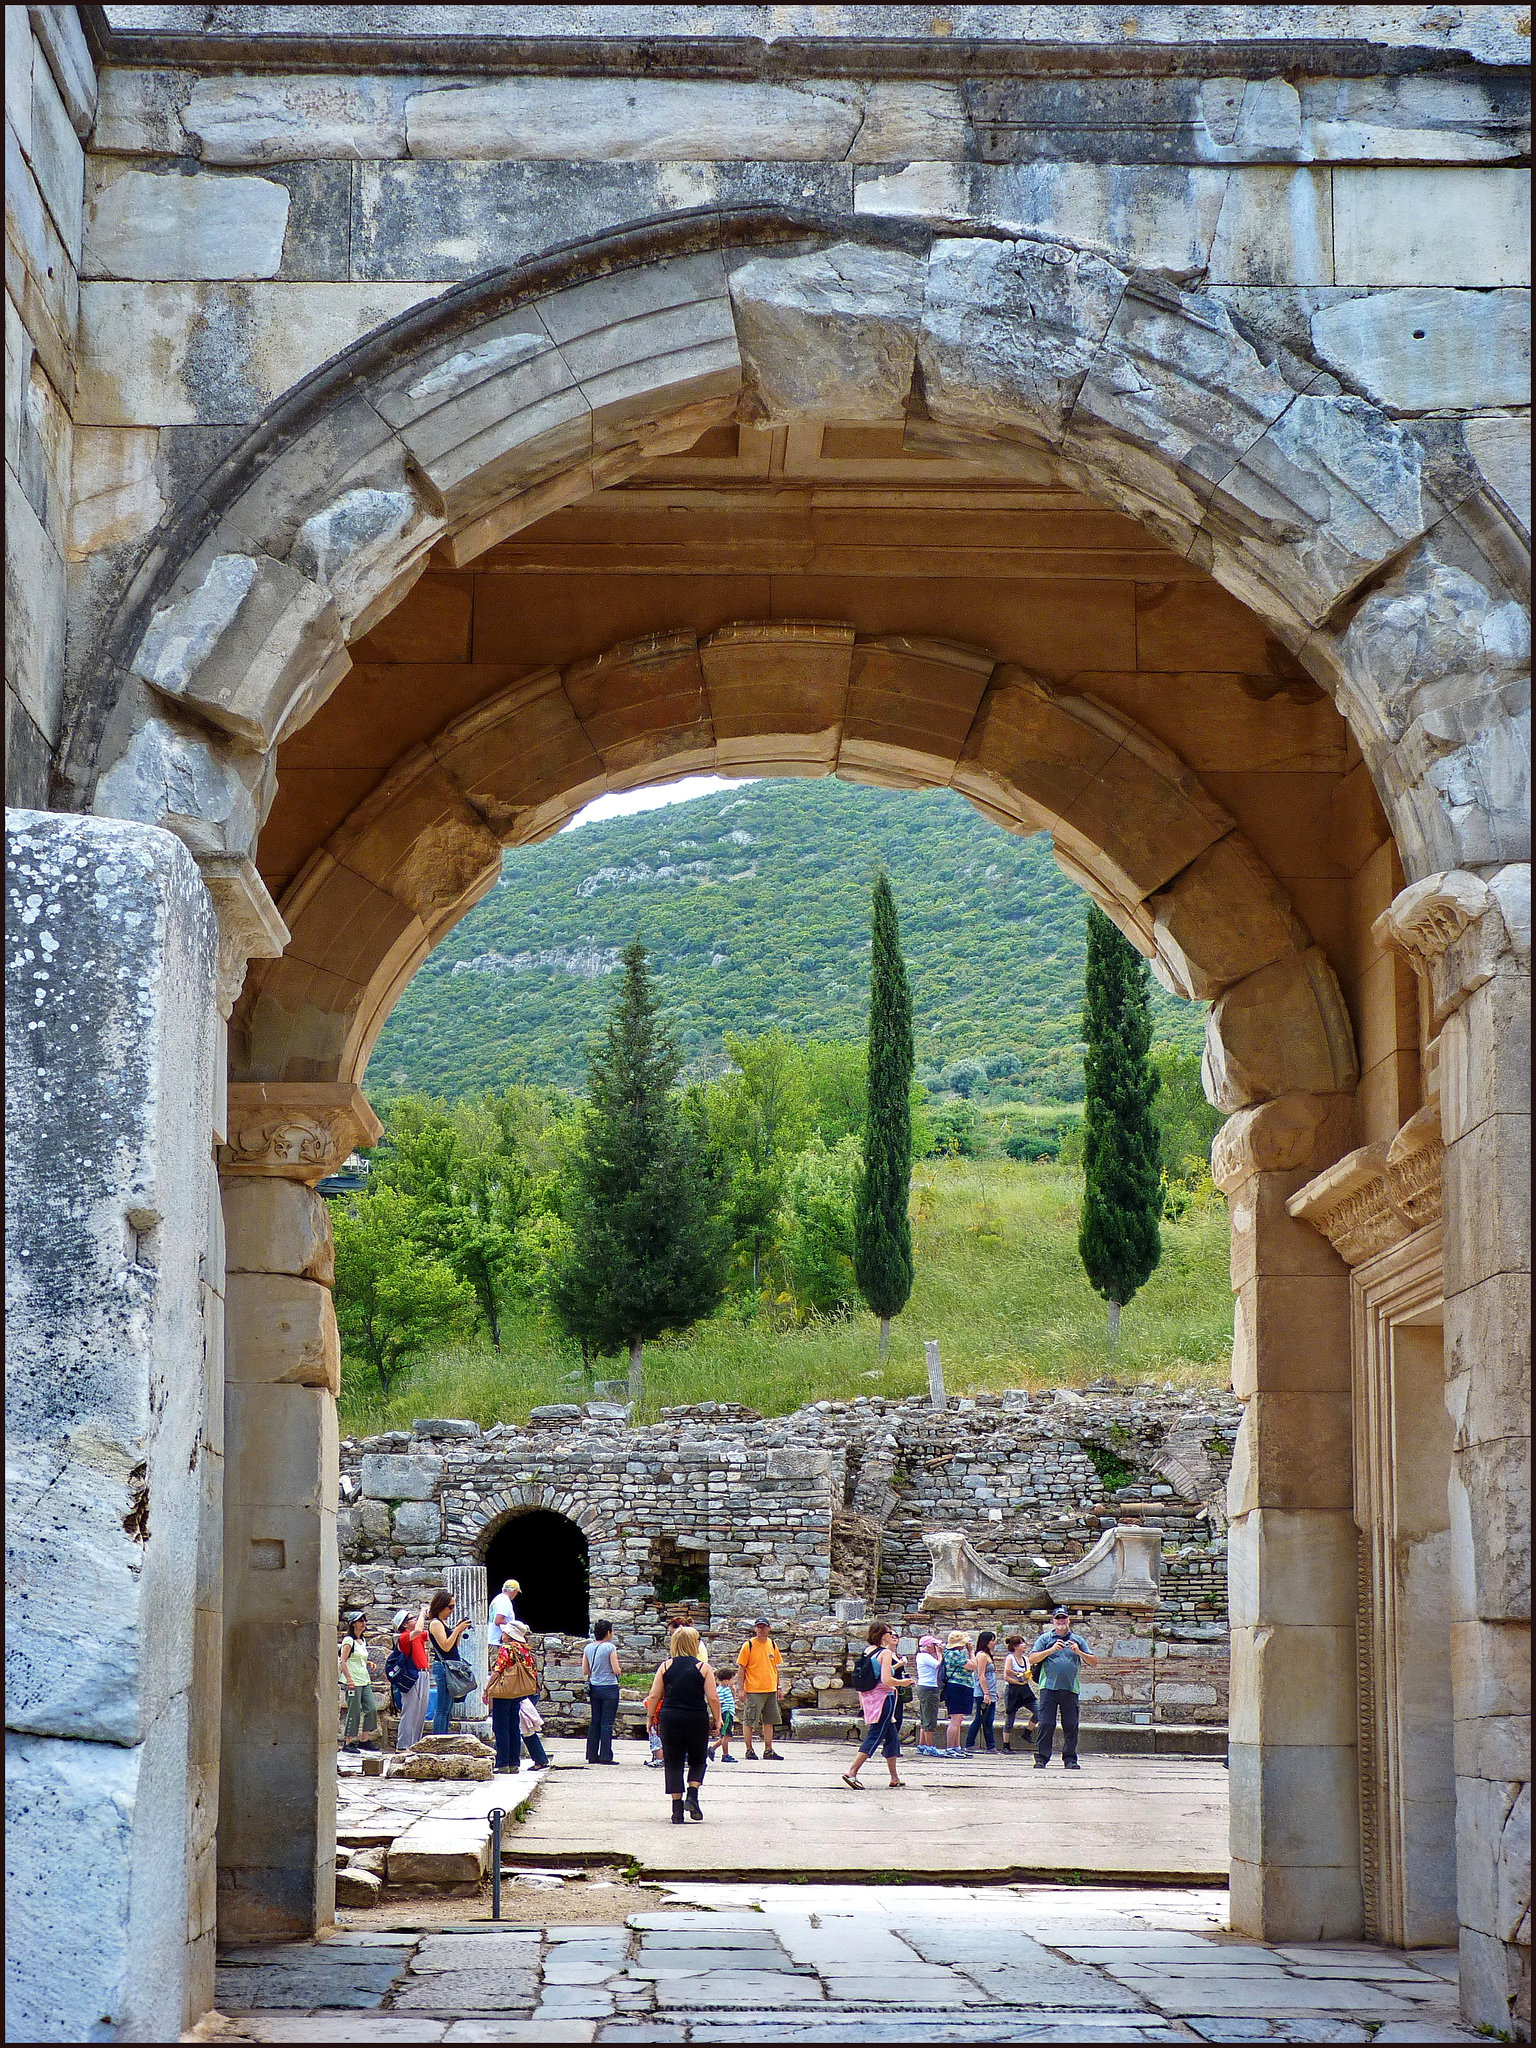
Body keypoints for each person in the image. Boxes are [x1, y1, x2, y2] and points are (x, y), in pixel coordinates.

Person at [645, 1625, 722, 1824]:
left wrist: (650, 1717)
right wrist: (718, 1719)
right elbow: (713, 1697)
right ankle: (693, 1796)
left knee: (673, 1761)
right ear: (693, 1644)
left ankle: (676, 1811)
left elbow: (654, 1695)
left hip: (670, 1717)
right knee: (697, 1758)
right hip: (696, 1717)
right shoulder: (703, 1668)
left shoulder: (665, 1667)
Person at [841, 1622, 911, 1791]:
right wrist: (903, 1682)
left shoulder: (868, 1651)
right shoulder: (886, 1653)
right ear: (882, 1635)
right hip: (884, 1698)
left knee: (892, 1736)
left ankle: (894, 1777)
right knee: (876, 1734)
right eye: (889, 1632)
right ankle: (852, 1772)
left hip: (870, 1697)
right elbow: (887, 1680)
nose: (892, 1635)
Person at [1028, 1606, 1096, 1769]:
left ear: (1068, 1620)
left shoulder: (1077, 1640)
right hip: (1049, 1688)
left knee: (1071, 1724)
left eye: (1063, 1618)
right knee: (1046, 1723)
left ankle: (1070, 1759)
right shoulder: (1045, 1639)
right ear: (1053, 1621)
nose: (1061, 1621)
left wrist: (1079, 1652)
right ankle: (1041, 1758)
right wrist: (1051, 1650)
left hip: (1070, 1688)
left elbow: (1093, 1661)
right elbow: (1031, 1658)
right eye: (1058, 1618)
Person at [486, 1618, 550, 1774]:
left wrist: (487, 1689)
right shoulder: (524, 1649)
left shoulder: (507, 1648)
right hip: (519, 1692)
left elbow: (498, 1670)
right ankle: (514, 1763)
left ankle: (502, 1763)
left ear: (509, 1634)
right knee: (514, 1727)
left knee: (501, 1727)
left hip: (504, 1692)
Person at [735, 1618, 785, 1760]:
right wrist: (741, 1689)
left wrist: (779, 1686)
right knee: (749, 1720)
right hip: (754, 1689)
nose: (760, 1629)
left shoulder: (772, 1644)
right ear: (755, 1629)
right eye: (758, 1627)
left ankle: (768, 1749)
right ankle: (749, 1749)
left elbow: (775, 1667)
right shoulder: (748, 1645)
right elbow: (741, 1668)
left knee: (769, 1720)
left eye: (763, 1627)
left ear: (769, 1628)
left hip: (770, 1689)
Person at [426, 1588, 470, 1737]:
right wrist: (457, 1629)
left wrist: (459, 1629)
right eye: (450, 1607)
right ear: (441, 1606)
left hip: (450, 1666)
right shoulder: (436, 1623)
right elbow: (445, 1645)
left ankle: (442, 1736)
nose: (452, 1610)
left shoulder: (443, 1623)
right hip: (444, 1667)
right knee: (442, 1707)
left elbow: (454, 1645)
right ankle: (438, 1738)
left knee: (448, 1706)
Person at [582, 1618, 623, 1765]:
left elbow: (585, 1670)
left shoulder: (588, 1648)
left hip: (595, 1687)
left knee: (595, 1721)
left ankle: (592, 1755)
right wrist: (620, 1672)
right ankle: (605, 1756)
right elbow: (615, 1669)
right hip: (609, 1687)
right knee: (607, 1723)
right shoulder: (610, 1648)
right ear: (608, 1632)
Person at [338, 1614, 381, 1753]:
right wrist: (349, 1679)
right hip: (353, 1681)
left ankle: (364, 1738)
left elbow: (357, 1659)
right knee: (354, 1710)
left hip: (364, 1679)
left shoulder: (362, 1641)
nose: (364, 1623)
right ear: (353, 1624)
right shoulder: (348, 1640)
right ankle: (349, 1741)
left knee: (371, 1709)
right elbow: (343, 1661)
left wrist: (368, 1663)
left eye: (364, 1620)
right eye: (360, 1621)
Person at [395, 1603, 432, 1751]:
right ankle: (403, 1745)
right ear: (404, 1624)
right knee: (410, 1711)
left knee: (421, 1711)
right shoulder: (404, 1637)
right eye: (412, 1618)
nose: (415, 1619)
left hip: (423, 1673)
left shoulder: (418, 1635)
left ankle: (415, 1744)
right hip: (413, 1675)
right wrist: (422, 1614)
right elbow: (418, 1630)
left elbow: (430, 1633)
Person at [965, 1629, 999, 1753]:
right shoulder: (982, 1655)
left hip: (990, 1692)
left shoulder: (988, 1655)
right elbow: (981, 1675)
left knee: (988, 1719)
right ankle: (970, 1744)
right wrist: (986, 1693)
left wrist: (993, 1691)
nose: (994, 1643)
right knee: (981, 1718)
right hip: (983, 1693)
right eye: (992, 1641)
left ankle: (990, 1746)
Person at [1001, 1635, 1037, 1752]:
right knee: (1010, 1717)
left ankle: (1027, 1732)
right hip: (1012, 1690)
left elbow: (1027, 1673)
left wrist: (1025, 1678)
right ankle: (1006, 1745)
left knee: (1039, 1711)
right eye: (1022, 1643)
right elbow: (1006, 1676)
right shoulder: (1010, 1658)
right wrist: (1017, 1678)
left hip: (1025, 1689)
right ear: (1015, 1646)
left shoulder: (1026, 1659)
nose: (1024, 1645)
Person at [941, 1631, 973, 1752]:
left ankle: (956, 1746)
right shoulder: (954, 1654)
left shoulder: (954, 1653)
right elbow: (973, 1665)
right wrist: (971, 1652)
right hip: (957, 1687)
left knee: (958, 1719)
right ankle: (950, 1747)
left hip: (961, 1687)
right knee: (955, 1719)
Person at [913, 1634, 944, 1755]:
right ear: (929, 1646)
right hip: (929, 1688)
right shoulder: (925, 1656)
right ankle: (930, 1746)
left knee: (925, 1717)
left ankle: (922, 1744)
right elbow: (939, 1666)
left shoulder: (921, 1656)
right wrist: (940, 1654)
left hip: (924, 1687)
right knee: (930, 1718)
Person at [488, 1577, 521, 1648]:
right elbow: (498, 1621)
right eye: (517, 1592)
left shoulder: (497, 1598)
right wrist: (515, 1627)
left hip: (492, 1639)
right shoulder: (505, 1601)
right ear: (514, 1590)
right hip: (499, 1641)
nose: (516, 1594)